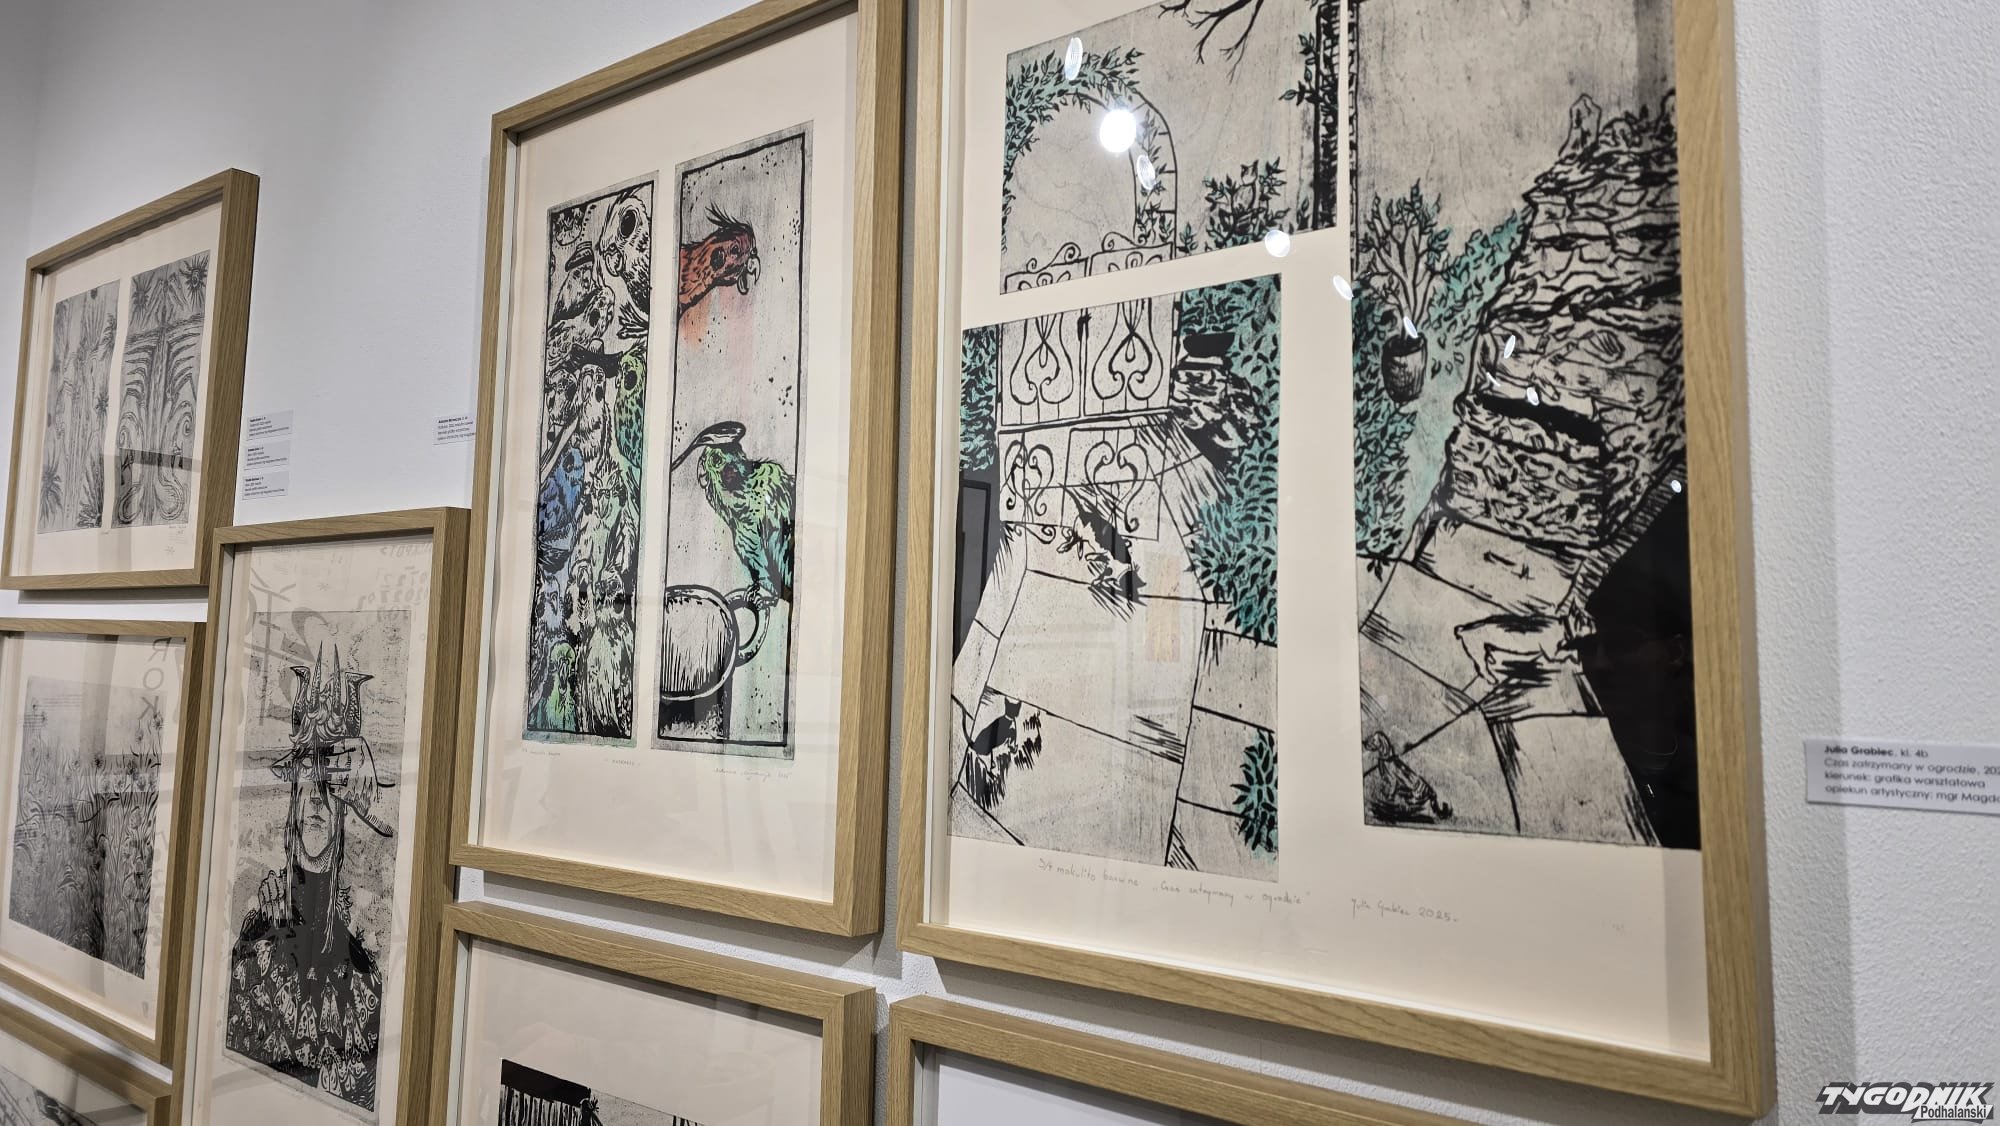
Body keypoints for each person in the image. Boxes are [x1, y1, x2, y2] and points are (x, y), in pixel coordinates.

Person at [223, 644, 391, 1112]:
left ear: (344, 808)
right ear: (292, 800)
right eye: (306, 787)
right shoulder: (255, 942)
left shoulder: (364, 974)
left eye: (328, 788)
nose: (316, 801)